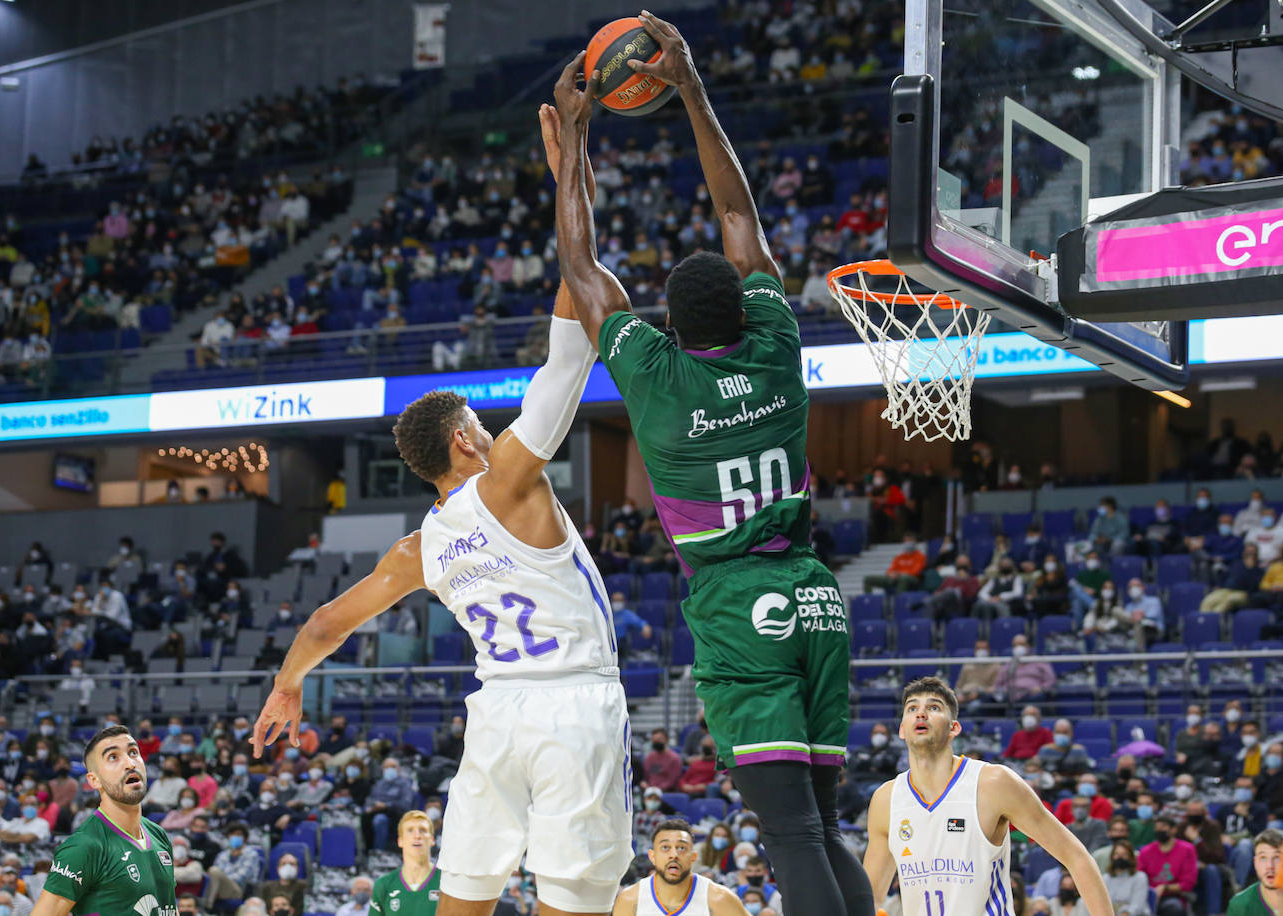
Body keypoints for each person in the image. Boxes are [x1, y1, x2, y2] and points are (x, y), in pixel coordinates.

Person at [254, 117, 630, 916]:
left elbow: (325, 624)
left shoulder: (418, 549)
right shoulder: (512, 479)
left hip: (495, 715)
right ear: (466, 441)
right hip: (575, 706)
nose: (494, 433)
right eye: (484, 427)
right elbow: (578, 318)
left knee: (462, 900)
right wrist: (572, 182)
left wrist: (288, 687)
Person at [549, 19, 869, 916]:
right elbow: (739, 219)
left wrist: (574, 137)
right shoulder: (774, 341)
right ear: (744, 300)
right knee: (823, 827)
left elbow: (581, 264)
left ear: (670, 327)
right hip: (812, 592)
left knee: (793, 837)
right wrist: (689, 88)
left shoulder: (654, 376)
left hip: (740, 606)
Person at [863, 677, 1115, 916]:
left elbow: (1077, 857)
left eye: (934, 707)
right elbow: (869, 897)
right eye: (912, 708)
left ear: (954, 728)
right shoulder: (887, 799)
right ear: (902, 730)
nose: (921, 713)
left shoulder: (993, 783)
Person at [28, 725, 176, 916]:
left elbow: (170, 908)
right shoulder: (85, 846)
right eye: (113, 757)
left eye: (133, 752)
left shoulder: (159, 835)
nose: (130, 763)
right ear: (94, 780)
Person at [612, 819, 749, 915]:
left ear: (693, 857)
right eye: (665, 847)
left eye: (682, 848)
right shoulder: (630, 899)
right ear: (652, 856)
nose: (674, 855)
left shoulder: (719, 899)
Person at [371, 810, 441, 915]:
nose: (417, 836)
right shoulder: (384, 885)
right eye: (410, 830)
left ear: (432, 840)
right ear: (400, 841)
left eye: (423, 830)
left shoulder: (446, 882)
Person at [1230, 828, 1283, 916]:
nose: (1270, 866)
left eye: (1277, 858)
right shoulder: (1239, 904)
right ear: (1255, 862)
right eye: (1263, 858)